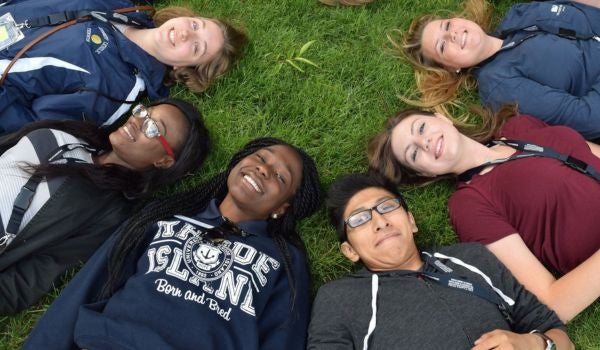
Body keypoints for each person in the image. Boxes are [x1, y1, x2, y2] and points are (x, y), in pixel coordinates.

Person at [24, 137, 321, 350]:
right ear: (236, 163)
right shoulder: (163, 216)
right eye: (260, 157)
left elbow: (283, 338)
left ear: (281, 208)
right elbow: (91, 282)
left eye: (281, 177)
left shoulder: (283, 261)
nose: (263, 169)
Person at [367, 106, 600, 322]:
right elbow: (552, 303)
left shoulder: (518, 127)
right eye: (414, 154)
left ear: (441, 118)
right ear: (423, 173)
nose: (424, 142)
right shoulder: (468, 205)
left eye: (421, 128)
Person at [307, 173, 573, 350]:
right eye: (359, 219)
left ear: (411, 222)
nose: (380, 221)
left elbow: (559, 335)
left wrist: (532, 344)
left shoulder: (472, 257)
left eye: (387, 206)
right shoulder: (339, 299)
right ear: (349, 250)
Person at [0, 98, 210, 315]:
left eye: (153, 127)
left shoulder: (111, 212)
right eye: (144, 112)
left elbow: (33, 276)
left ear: (164, 161)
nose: (138, 121)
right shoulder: (70, 133)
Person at [0, 0, 247, 134]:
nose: (185, 34)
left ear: (184, 68)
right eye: (195, 25)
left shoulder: (117, 90)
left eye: (196, 48)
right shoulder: (122, 6)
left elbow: (29, 125)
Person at [399, 0, 600, 139]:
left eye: (447, 25)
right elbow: (589, 119)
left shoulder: (518, 15)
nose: (452, 34)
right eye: (442, 46)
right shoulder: (499, 86)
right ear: (452, 68)